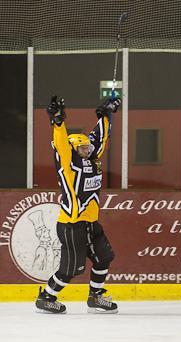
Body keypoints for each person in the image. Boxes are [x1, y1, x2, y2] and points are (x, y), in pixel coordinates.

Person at [35, 95, 121, 314]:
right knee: (71, 269)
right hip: (71, 224)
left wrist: (105, 114)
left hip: (91, 223)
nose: (87, 150)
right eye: (82, 148)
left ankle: (96, 296)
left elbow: (99, 139)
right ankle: (46, 297)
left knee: (104, 257)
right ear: (74, 150)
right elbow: (61, 145)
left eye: (87, 148)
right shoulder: (69, 164)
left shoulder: (93, 159)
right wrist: (58, 121)